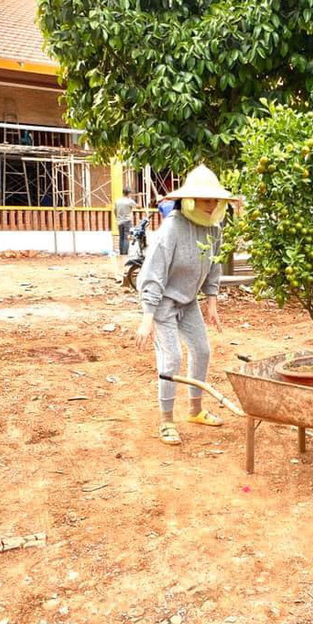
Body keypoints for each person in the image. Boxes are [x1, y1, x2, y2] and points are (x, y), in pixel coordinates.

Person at [135, 165, 234, 446]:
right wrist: (147, 317)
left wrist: (211, 303)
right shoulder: (172, 229)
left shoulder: (214, 229)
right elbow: (152, 274)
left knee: (202, 349)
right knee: (172, 359)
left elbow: (213, 267)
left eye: (214, 199)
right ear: (189, 200)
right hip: (163, 305)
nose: (211, 205)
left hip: (188, 302)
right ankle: (167, 420)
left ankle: (195, 410)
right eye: (205, 199)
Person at [115, 187, 138, 255]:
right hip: (127, 221)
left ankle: (121, 252)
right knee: (126, 237)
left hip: (119, 221)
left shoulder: (118, 201)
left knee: (121, 237)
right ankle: (125, 253)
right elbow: (138, 206)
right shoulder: (129, 201)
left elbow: (114, 210)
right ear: (129, 193)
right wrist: (139, 198)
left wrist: (117, 217)